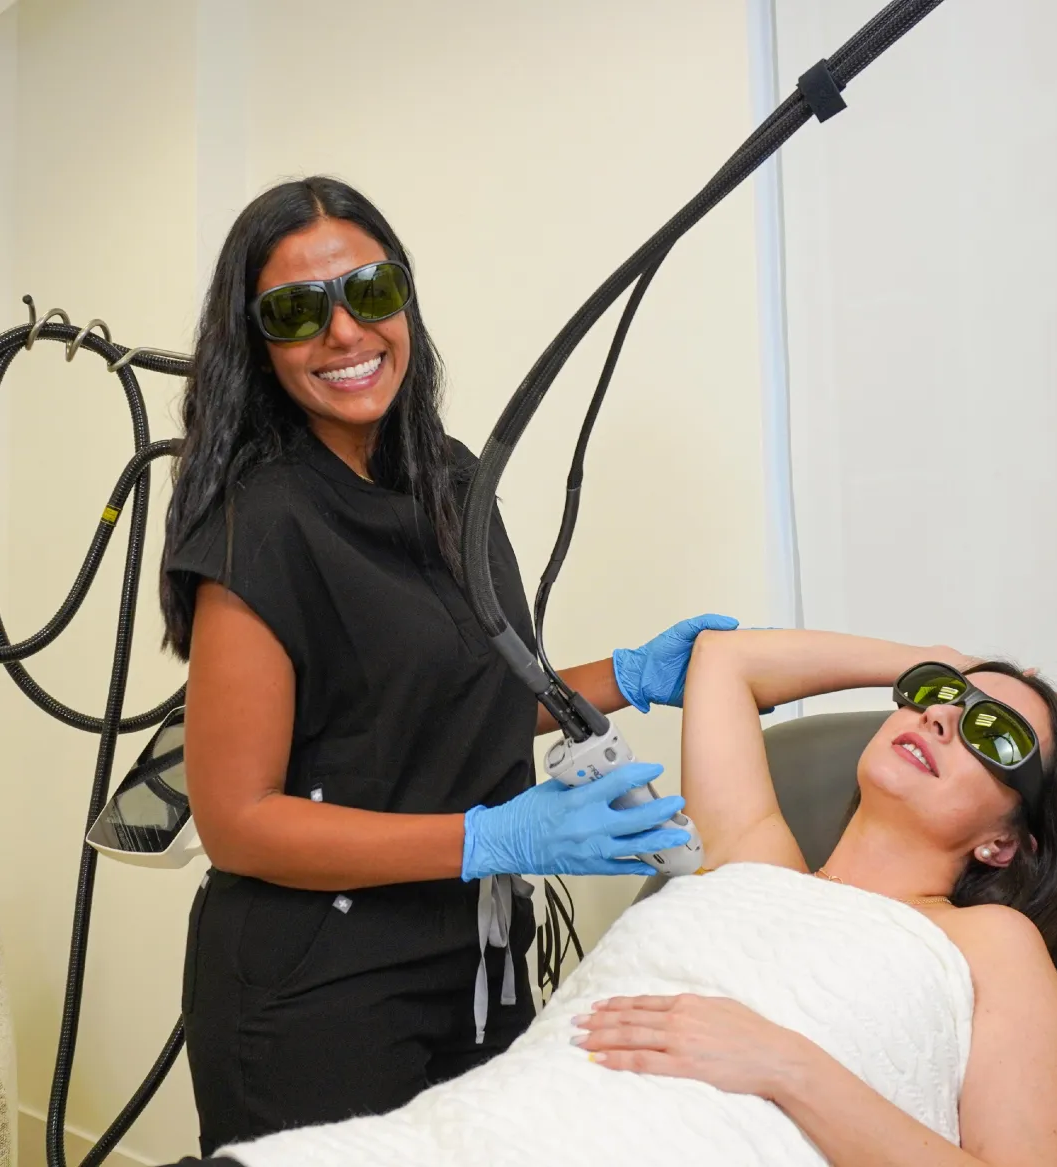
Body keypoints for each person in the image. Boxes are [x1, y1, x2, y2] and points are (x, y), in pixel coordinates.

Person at [159, 175, 737, 1154]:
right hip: (319, 994)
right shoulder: (260, 528)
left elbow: (465, 702)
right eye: (298, 311)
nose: (345, 332)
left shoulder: (452, 479)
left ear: (406, 301)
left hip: (474, 966)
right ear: (256, 346)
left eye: (371, 291)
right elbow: (238, 820)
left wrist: (630, 675)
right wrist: (489, 838)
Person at [167, 628, 1057, 1167]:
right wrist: (939, 661)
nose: (946, 718)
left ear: (1006, 840)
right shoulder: (751, 857)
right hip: (484, 1132)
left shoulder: (990, 942)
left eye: (995, 735)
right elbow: (725, 661)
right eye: (937, 698)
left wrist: (787, 1064)